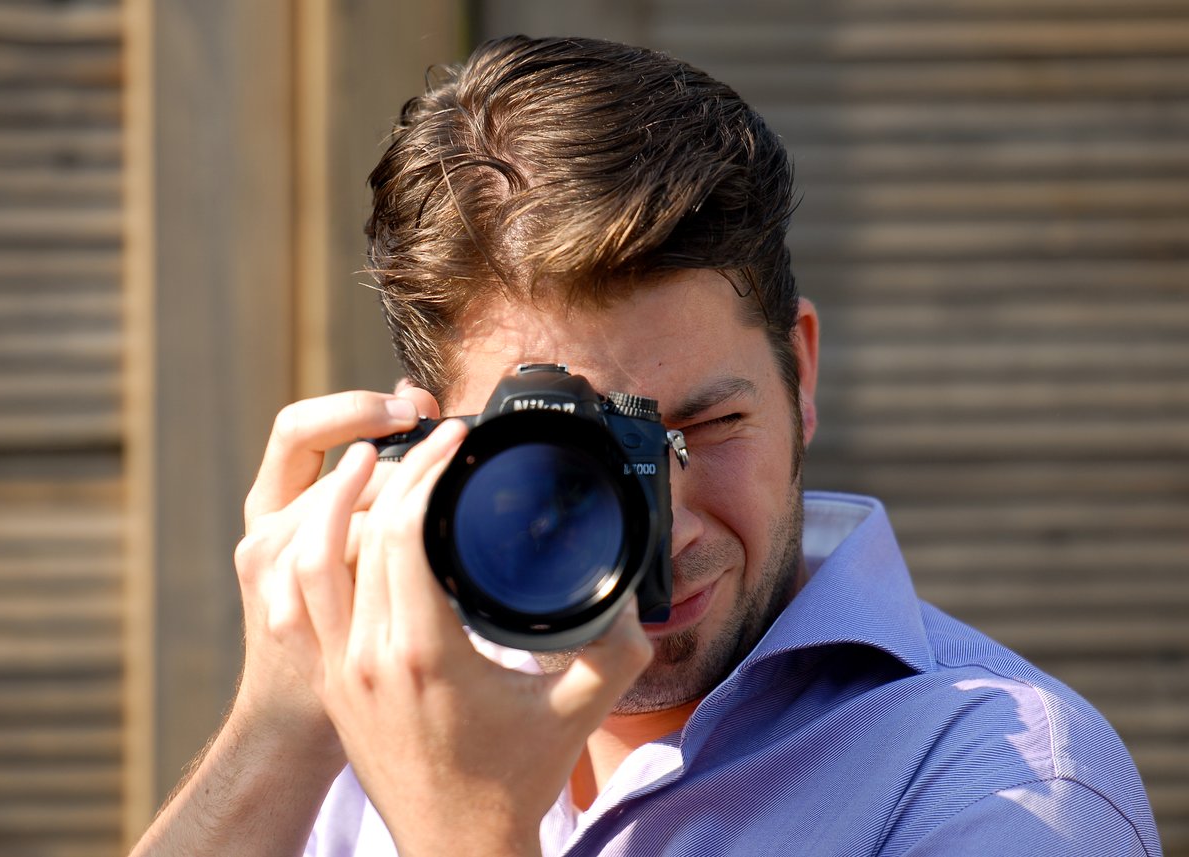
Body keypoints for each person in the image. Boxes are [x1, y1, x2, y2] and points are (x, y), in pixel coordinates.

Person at [129, 35, 1162, 857]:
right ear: (432, 436)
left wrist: (466, 827)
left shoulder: (1003, 781)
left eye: (707, 426)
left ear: (800, 375)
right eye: (573, 452)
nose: (660, 523)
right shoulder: (382, 701)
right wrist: (279, 724)